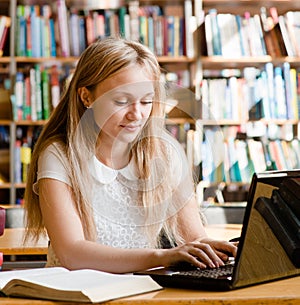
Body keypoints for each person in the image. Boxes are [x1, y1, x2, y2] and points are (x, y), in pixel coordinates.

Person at [24, 37, 237, 273]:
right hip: (76, 293)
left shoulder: (164, 153)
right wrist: (163, 257)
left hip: (141, 290)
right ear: (87, 97)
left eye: (146, 101)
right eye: (122, 101)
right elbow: (72, 254)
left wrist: (215, 250)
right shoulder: (59, 155)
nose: (137, 114)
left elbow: (194, 239)